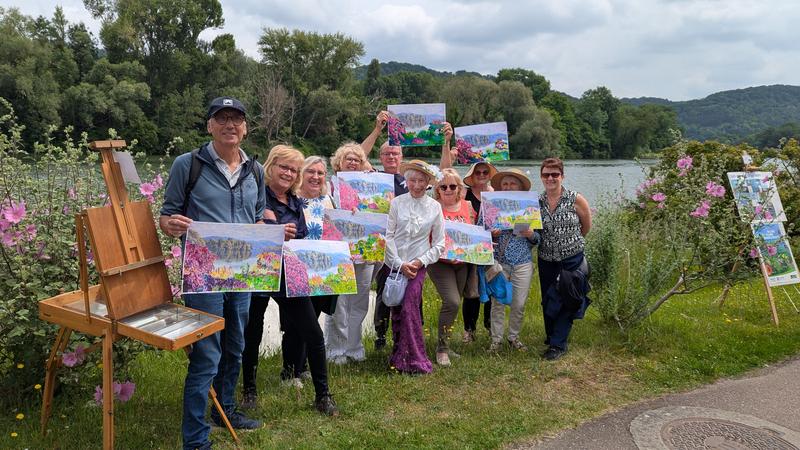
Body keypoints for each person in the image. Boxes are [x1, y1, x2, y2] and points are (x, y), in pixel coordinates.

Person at [159, 96, 265, 450]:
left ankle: (226, 410)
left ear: (245, 127)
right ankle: (195, 436)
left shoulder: (256, 170)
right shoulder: (187, 164)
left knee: (235, 346)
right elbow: (166, 216)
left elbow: (258, 216)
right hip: (202, 273)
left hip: (244, 274)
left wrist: (274, 233)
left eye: (236, 118)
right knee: (206, 352)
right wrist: (171, 225)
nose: (230, 125)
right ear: (209, 126)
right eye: (221, 118)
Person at [240, 145, 339, 417]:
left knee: (313, 333)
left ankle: (323, 395)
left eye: (293, 169)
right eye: (283, 166)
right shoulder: (255, 196)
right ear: (270, 166)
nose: (288, 172)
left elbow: (302, 238)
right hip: (258, 272)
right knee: (252, 333)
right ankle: (249, 389)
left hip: (289, 273)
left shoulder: (295, 203)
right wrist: (273, 230)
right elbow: (246, 229)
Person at [384, 160, 445, 374]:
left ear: (428, 182)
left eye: (421, 180)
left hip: (419, 264)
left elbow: (439, 243)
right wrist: (400, 264)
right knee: (398, 309)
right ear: (406, 180)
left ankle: (415, 359)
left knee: (410, 306)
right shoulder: (397, 203)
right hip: (396, 263)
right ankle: (398, 354)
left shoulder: (435, 207)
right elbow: (389, 236)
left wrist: (419, 262)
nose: (417, 185)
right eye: (412, 180)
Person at [361, 111, 407, 350]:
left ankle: (405, 334)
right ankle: (380, 334)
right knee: (383, 289)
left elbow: (445, 175)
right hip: (378, 243)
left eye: (395, 153)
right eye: (387, 153)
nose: (391, 156)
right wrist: (378, 129)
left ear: (402, 157)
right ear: (381, 157)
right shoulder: (373, 177)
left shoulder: (411, 181)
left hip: (405, 244)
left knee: (407, 289)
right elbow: (358, 156)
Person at [440, 150, 497, 344]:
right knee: (471, 291)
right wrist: (447, 149)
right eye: (478, 172)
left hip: (489, 248)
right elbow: (445, 179)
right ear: (471, 176)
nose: (481, 175)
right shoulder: (463, 193)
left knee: (489, 288)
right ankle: (469, 330)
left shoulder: (494, 195)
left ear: (489, 175)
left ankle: (490, 327)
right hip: (469, 249)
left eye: (485, 172)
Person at [538, 157, 592, 361]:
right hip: (546, 259)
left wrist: (571, 244)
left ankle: (558, 344)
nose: (550, 178)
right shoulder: (537, 202)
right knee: (548, 299)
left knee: (566, 298)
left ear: (562, 176)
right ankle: (551, 335)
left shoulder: (575, 199)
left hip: (571, 259)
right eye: (546, 175)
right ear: (541, 177)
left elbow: (586, 226)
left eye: (555, 174)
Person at [326, 143, 375, 364]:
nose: (353, 162)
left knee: (359, 301)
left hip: (365, 252)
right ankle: (335, 349)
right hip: (338, 252)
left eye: (357, 159)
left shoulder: (370, 187)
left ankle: (354, 347)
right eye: (348, 158)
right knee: (338, 303)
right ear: (339, 163)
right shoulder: (329, 186)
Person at [428, 168, 477, 366]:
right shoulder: (432, 207)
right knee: (453, 302)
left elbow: (474, 233)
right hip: (440, 264)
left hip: (462, 264)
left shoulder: (468, 206)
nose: (448, 189)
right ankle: (441, 350)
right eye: (443, 186)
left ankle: (446, 345)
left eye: (452, 186)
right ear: (438, 189)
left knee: (453, 306)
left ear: (459, 188)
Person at [487, 169, 539, 353]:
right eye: (505, 184)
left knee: (519, 304)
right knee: (498, 303)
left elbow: (537, 239)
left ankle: (513, 337)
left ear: (519, 187)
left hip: (523, 262)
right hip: (499, 262)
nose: (508, 187)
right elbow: (480, 230)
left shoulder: (529, 206)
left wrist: (531, 234)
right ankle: (496, 341)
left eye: (512, 184)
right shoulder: (491, 206)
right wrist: (490, 233)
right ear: (500, 187)